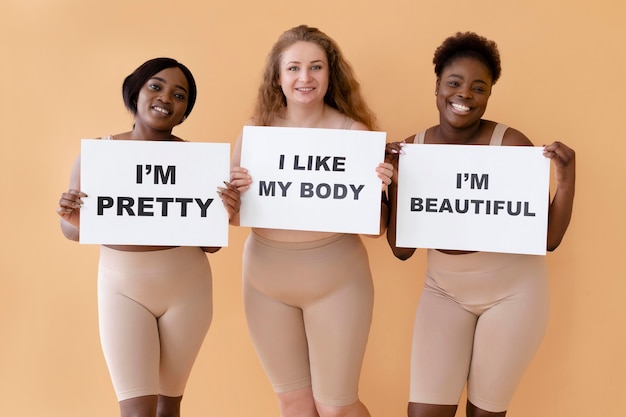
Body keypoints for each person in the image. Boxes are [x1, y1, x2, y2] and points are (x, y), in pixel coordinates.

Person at [385, 32, 576, 417]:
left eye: (479, 87)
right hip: (443, 292)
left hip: (513, 295)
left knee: (484, 414)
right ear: (437, 86)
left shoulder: (511, 146)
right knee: (424, 413)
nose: (465, 95)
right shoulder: (412, 150)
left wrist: (567, 177)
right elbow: (402, 250)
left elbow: (550, 239)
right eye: (454, 83)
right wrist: (391, 187)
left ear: (489, 94)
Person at [57, 57, 240, 417]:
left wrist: (225, 214)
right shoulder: (100, 153)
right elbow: (71, 231)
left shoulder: (196, 162)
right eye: (155, 86)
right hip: (121, 288)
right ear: (136, 92)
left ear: (185, 111)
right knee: (136, 410)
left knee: (168, 408)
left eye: (179, 94)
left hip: (188, 289)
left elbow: (211, 244)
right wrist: (71, 217)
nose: (165, 98)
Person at [229, 25, 393, 417]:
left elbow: (376, 229)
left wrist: (384, 190)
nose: (305, 78)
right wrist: (232, 195)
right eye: (294, 68)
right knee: (294, 404)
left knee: (335, 407)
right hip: (264, 281)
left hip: (337, 281)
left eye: (316, 67)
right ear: (278, 76)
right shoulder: (256, 134)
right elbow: (235, 220)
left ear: (329, 74)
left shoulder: (354, 133)